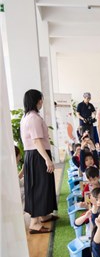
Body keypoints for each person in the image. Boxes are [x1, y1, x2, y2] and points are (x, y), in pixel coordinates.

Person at [20, 89, 58, 233]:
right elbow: (36, 141)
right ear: (36, 100)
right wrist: (47, 159)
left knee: (42, 185)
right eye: (40, 99)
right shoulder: (33, 118)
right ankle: (34, 223)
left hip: (33, 154)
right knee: (39, 187)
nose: (42, 101)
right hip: (38, 155)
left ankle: (44, 215)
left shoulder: (27, 117)